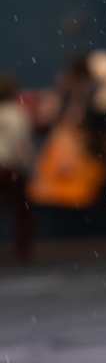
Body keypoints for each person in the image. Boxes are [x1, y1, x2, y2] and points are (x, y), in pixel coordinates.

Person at [0, 73, 35, 262]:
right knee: (22, 211)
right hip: (13, 169)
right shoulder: (18, 113)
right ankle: (23, 251)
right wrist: (29, 165)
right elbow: (22, 144)